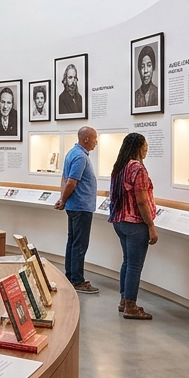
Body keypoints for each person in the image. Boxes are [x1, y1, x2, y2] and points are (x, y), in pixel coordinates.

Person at [108, 132, 158, 320]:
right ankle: (131, 306)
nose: (147, 149)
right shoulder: (138, 169)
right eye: (145, 145)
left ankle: (124, 300)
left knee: (127, 262)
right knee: (135, 266)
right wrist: (151, 226)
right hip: (135, 223)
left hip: (120, 222)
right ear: (139, 147)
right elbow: (142, 201)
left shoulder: (119, 167)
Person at [54, 126, 99, 293]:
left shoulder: (72, 153)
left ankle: (71, 276)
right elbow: (72, 182)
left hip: (75, 206)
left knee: (73, 242)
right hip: (81, 207)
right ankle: (77, 280)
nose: (96, 142)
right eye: (94, 138)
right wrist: (63, 199)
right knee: (79, 244)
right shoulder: (80, 156)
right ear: (86, 139)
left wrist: (62, 199)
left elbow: (65, 179)